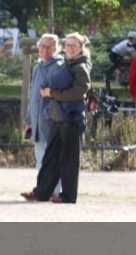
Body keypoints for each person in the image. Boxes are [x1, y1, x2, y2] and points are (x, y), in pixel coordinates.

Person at [22, 33, 91, 204]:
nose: (69, 48)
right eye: (67, 44)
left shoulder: (81, 66)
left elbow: (79, 92)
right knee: (50, 157)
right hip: (61, 117)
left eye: (74, 45)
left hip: (72, 118)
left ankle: (67, 196)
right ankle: (41, 192)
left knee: (68, 160)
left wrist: (52, 93)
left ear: (81, 47)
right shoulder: (69, 63)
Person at [25, 34, 65, 200]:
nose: (44, 49)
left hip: (51, 121)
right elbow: (33, 95)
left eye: (48, 46)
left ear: (56, 48)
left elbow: (59, 95)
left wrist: (47, 114)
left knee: (53, 159)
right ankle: (43, 190)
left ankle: (55, 192)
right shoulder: (37, 67)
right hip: (37, 121)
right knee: (40, 159)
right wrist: (28, 120)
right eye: (42, 46)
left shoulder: (59, 67)